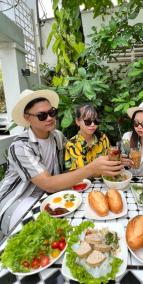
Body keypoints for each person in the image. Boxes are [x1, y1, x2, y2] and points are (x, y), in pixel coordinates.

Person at [0, 89, 122, 236]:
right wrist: (91, 168)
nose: (49, 118)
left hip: (51, 197)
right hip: (19, 201)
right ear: (28, 118)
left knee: (78, 227)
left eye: (51, 112)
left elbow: (78, 150)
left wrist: (115, 158)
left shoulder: (57, 136)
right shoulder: (20, 147)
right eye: (42, 115)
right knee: (48, 237)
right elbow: (49, 184)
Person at [64, 104, 110, 171]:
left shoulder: (103, 138)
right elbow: (76, 174)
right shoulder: (72, 145)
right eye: (87, 121)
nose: (92, 124)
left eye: (95, 121)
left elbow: (109, 159)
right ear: (77, 122)